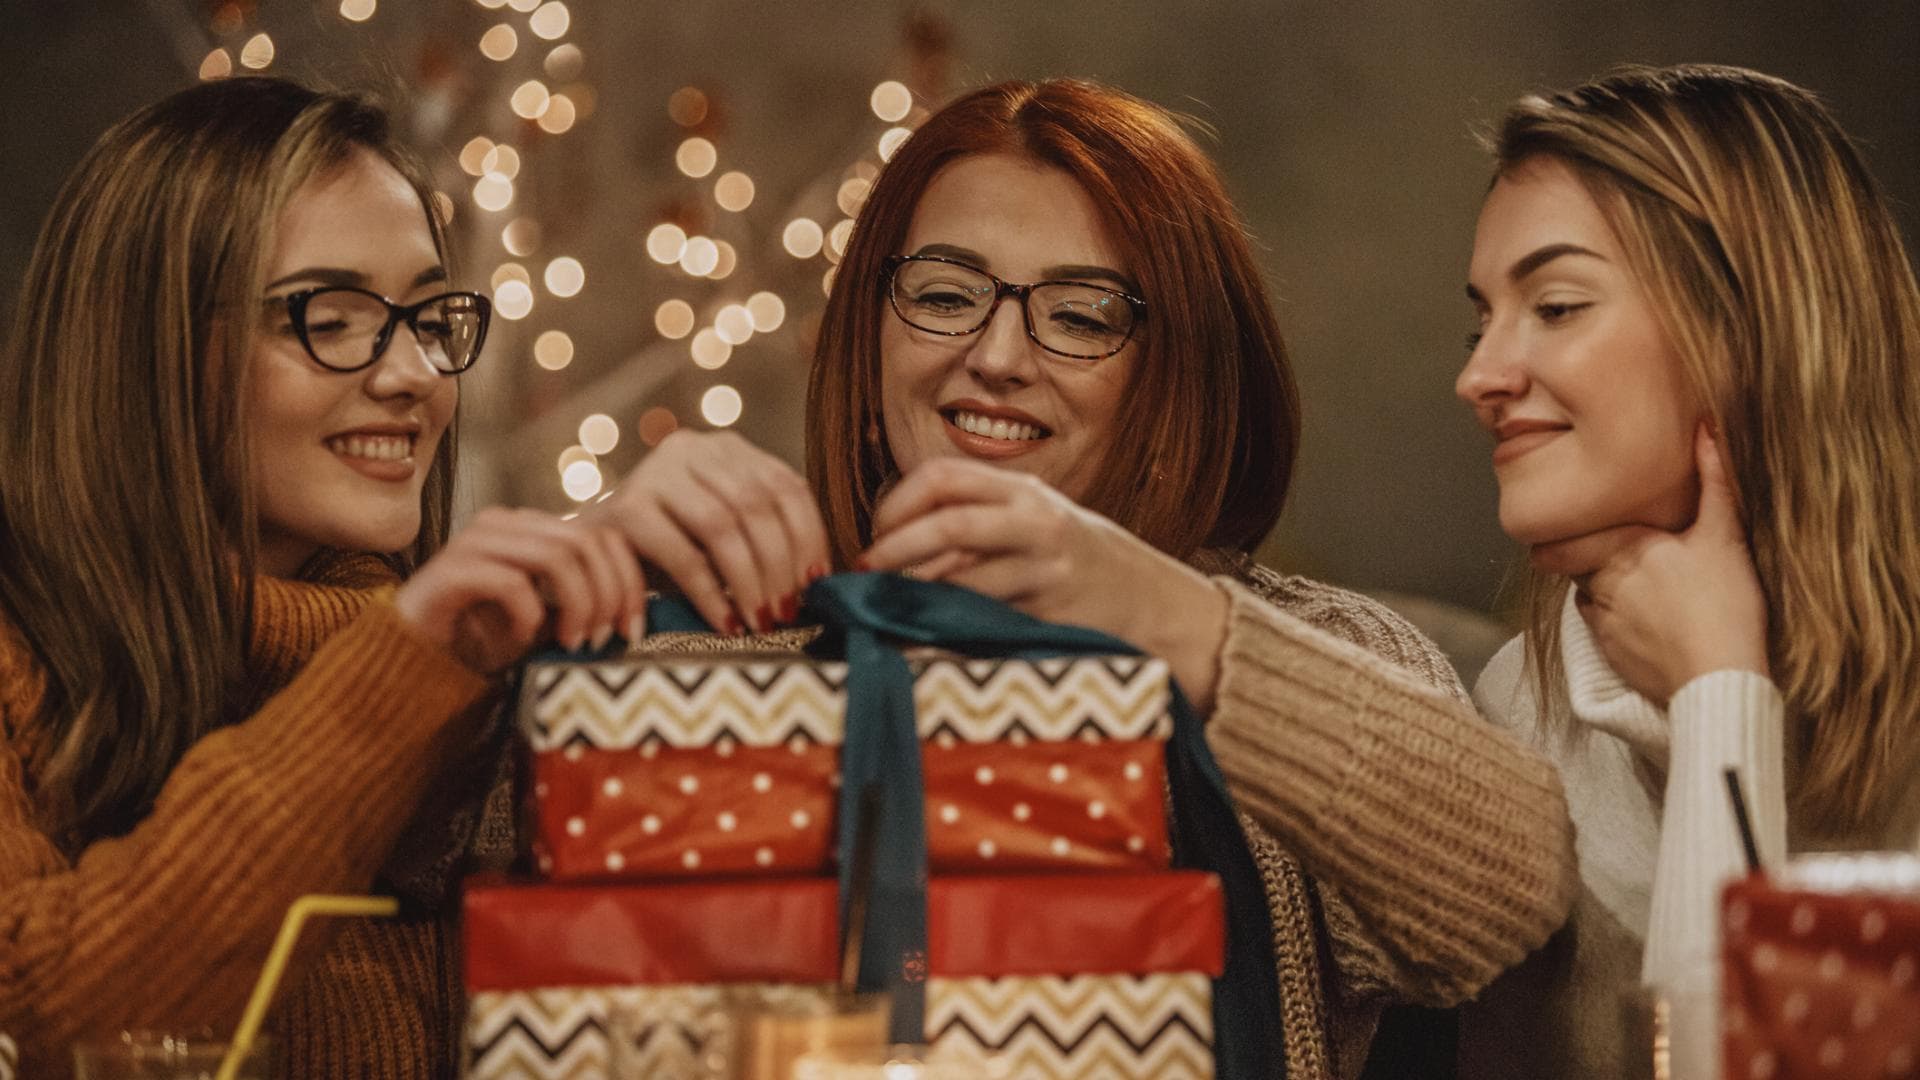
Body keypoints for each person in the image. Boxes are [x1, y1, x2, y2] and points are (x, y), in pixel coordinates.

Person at [591, 78, 1577, 1077]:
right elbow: (447, 869)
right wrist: (588, 572)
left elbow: (1504, 892)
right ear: (870, 334)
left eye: (1081, 313)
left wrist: (1163, 612)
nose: (998, 355)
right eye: (943, 296)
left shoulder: (1318, 652)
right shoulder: (721, 645)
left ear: (1177, 370)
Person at [0, 77, 650, 1076]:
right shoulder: (20, 668)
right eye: (331, 317)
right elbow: (52, 1012)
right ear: (151, 347)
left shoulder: (470, 675)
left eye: (430, 317)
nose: (417, 375)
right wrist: (398, 672)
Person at [1454, 63, 1920, 1077]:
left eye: (1559, 304)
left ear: (1751, 329)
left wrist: (1719, 688)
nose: (1480, 375)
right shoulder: (1523, 712)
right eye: (1480, 318)